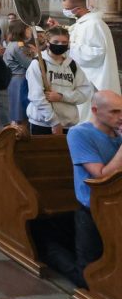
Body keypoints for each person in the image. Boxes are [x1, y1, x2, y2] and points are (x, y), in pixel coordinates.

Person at [61, 90, 122, 288]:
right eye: (114, 112)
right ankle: (51, 252)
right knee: (87, 277)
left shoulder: (118, 134)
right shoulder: (79, 134)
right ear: (95, 111)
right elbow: (102, 176)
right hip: (93, 209)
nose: (121, 117)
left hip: (117, 208)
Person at [65, 0, 121, 121]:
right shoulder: (84, 22)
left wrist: (71, 46)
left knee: (87, 116)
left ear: (78, 9)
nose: (65, 11)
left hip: (91, 80)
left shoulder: (93, 24)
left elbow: (96, 54)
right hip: (83, 76)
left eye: (67, 9)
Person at [26, 26, 93, 135]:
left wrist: (61, 97)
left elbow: (84, 93)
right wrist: (54, 122)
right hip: (43, 123)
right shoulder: (38, 64)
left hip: (68, 123)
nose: (60, 45)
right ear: (47, 42)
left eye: (64, 42)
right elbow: (36, 96)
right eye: (56, 42)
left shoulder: (73, 65)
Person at [3, 21, 38, 126]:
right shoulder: (19, 46)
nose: (30, 31)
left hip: (16, 79)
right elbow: (29, 64)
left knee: (17, 111)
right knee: (20, 113)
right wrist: (36, 54)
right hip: (20, 79)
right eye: (28, 29)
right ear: (21, 30)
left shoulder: (14, 44)